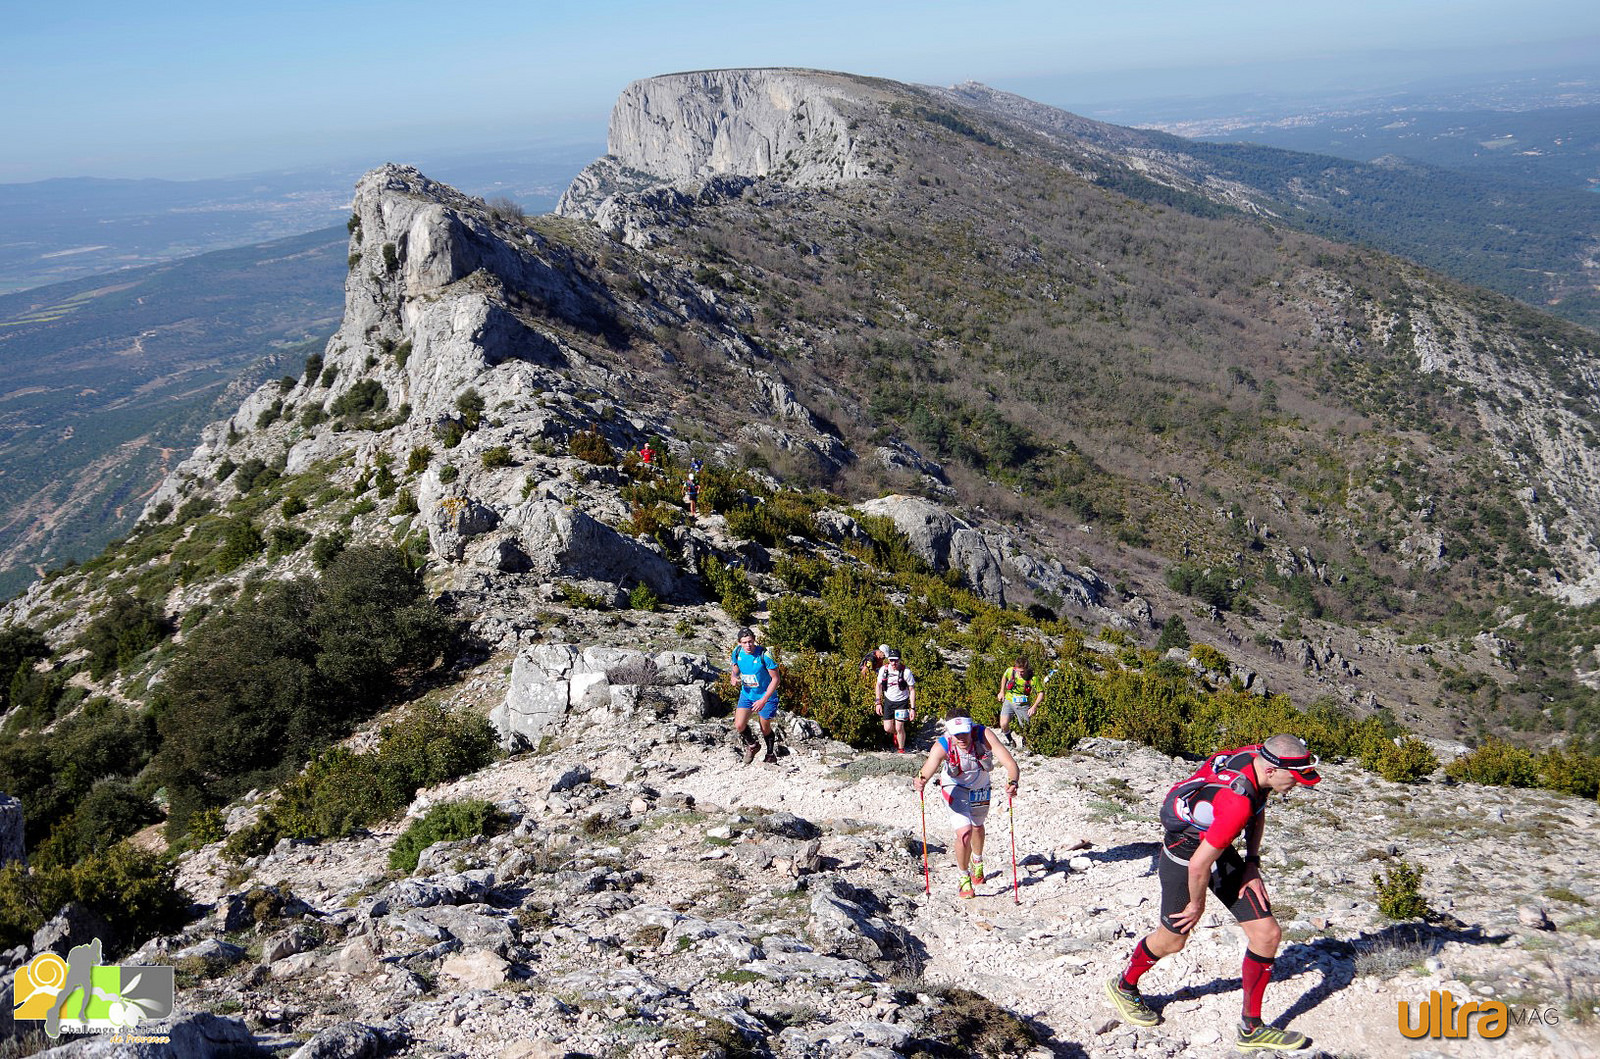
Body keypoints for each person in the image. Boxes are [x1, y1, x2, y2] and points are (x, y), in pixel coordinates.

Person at [1104, 734, 1323, 1052]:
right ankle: (1124, 986)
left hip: (1213, 845)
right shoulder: (1236, 802)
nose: (1300, 784)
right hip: (1186, 854)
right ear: (1274, 770)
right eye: (1296, 777)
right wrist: (1197, 905)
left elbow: (1258, 808)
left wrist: (1251, 864)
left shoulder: (1258, 762)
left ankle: (1251, 1028)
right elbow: (1198, 865)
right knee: (1173, 939)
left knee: (1267, 934)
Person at [913, 710, 1020, 899]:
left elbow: (1011, 765)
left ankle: (977, 862)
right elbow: (927, 769)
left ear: (971, 728)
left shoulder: (983, 735)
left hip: (980, 787)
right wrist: (920, 780)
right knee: (964, 832)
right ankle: (964, 878)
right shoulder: (942, 745)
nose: (961, 738)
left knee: (978, 826)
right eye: (956, 734)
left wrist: (1013, 782)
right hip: (954, 787)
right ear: (949, 732)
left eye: (964, 732)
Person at [729, 628, 781, 764]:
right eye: (745, 642)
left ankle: (770, 755)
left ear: (754, 640)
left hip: (766, 695)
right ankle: (753, 745)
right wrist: (733, 677)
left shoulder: (765, 655)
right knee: (739, 725)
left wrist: (763, 700)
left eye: (750, 641)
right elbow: (735, 669)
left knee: (765, 727)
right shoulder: (737, 652)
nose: (748, 645)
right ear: (739, 643)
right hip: (747, 694)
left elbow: (776, 679)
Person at [874, 649, 917, 753]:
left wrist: (912, 708)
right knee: (887, 728)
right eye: (891, 660)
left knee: (899, 727)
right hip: (889, 701)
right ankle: (896, 734)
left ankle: (901, 749)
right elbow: (878, 685)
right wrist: (878, 702)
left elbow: (912, 689)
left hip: (902, 701)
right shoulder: (883, 670)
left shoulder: (906, 672)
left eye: (896, 660)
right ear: (888, 660)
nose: (894, 663)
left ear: (900, 660)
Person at [994, 657, 1042, 749]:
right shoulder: (1010, 671)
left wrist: (1034, 706)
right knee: (1003, 724)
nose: (1020, 674)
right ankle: (1010, 741)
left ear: (1027, 669)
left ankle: (1025, 745)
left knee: (1025, 728)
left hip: (1023, 705)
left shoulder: (1033, 678)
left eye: (1023, 672)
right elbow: (1004, 677)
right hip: (1009, 700)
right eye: (1018, 671)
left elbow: (1041, 693)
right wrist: (1002, 691)